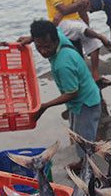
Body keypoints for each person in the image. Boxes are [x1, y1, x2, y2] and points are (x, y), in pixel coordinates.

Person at [22, 20, 101, 162]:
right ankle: (82, 161)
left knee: (84, 139)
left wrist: (45, 106)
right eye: (39, 47)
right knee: (75, 132)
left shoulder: (63, 64)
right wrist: (31, 38)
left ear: (55, 41)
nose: (43, 51)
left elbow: (72, 93)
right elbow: (52, 29)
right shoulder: (58, 35)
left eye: (47, 47)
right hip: (78, 102)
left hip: (86, 103)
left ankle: (87, 166)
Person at [44, 0, 111, 85]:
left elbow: (77, 6)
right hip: (60, 23)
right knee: (80, 28)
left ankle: (95, 75)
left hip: (74, 19)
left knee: (93, 42)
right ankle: (102, 36)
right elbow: (64, 9)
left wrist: (74, 7)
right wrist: (75, 5)